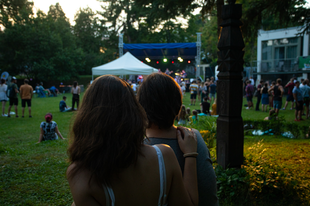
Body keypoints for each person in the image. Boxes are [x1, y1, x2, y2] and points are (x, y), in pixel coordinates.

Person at [67, 75, 199, 206]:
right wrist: (190, 155)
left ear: (84, 118)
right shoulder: (164, 156)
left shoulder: (80, 176)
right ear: (134, 111)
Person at [138, 73, 218, 206]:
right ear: (179, 107)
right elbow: (209, 196)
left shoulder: (133, 147)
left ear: (141, 106)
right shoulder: (192, 138)